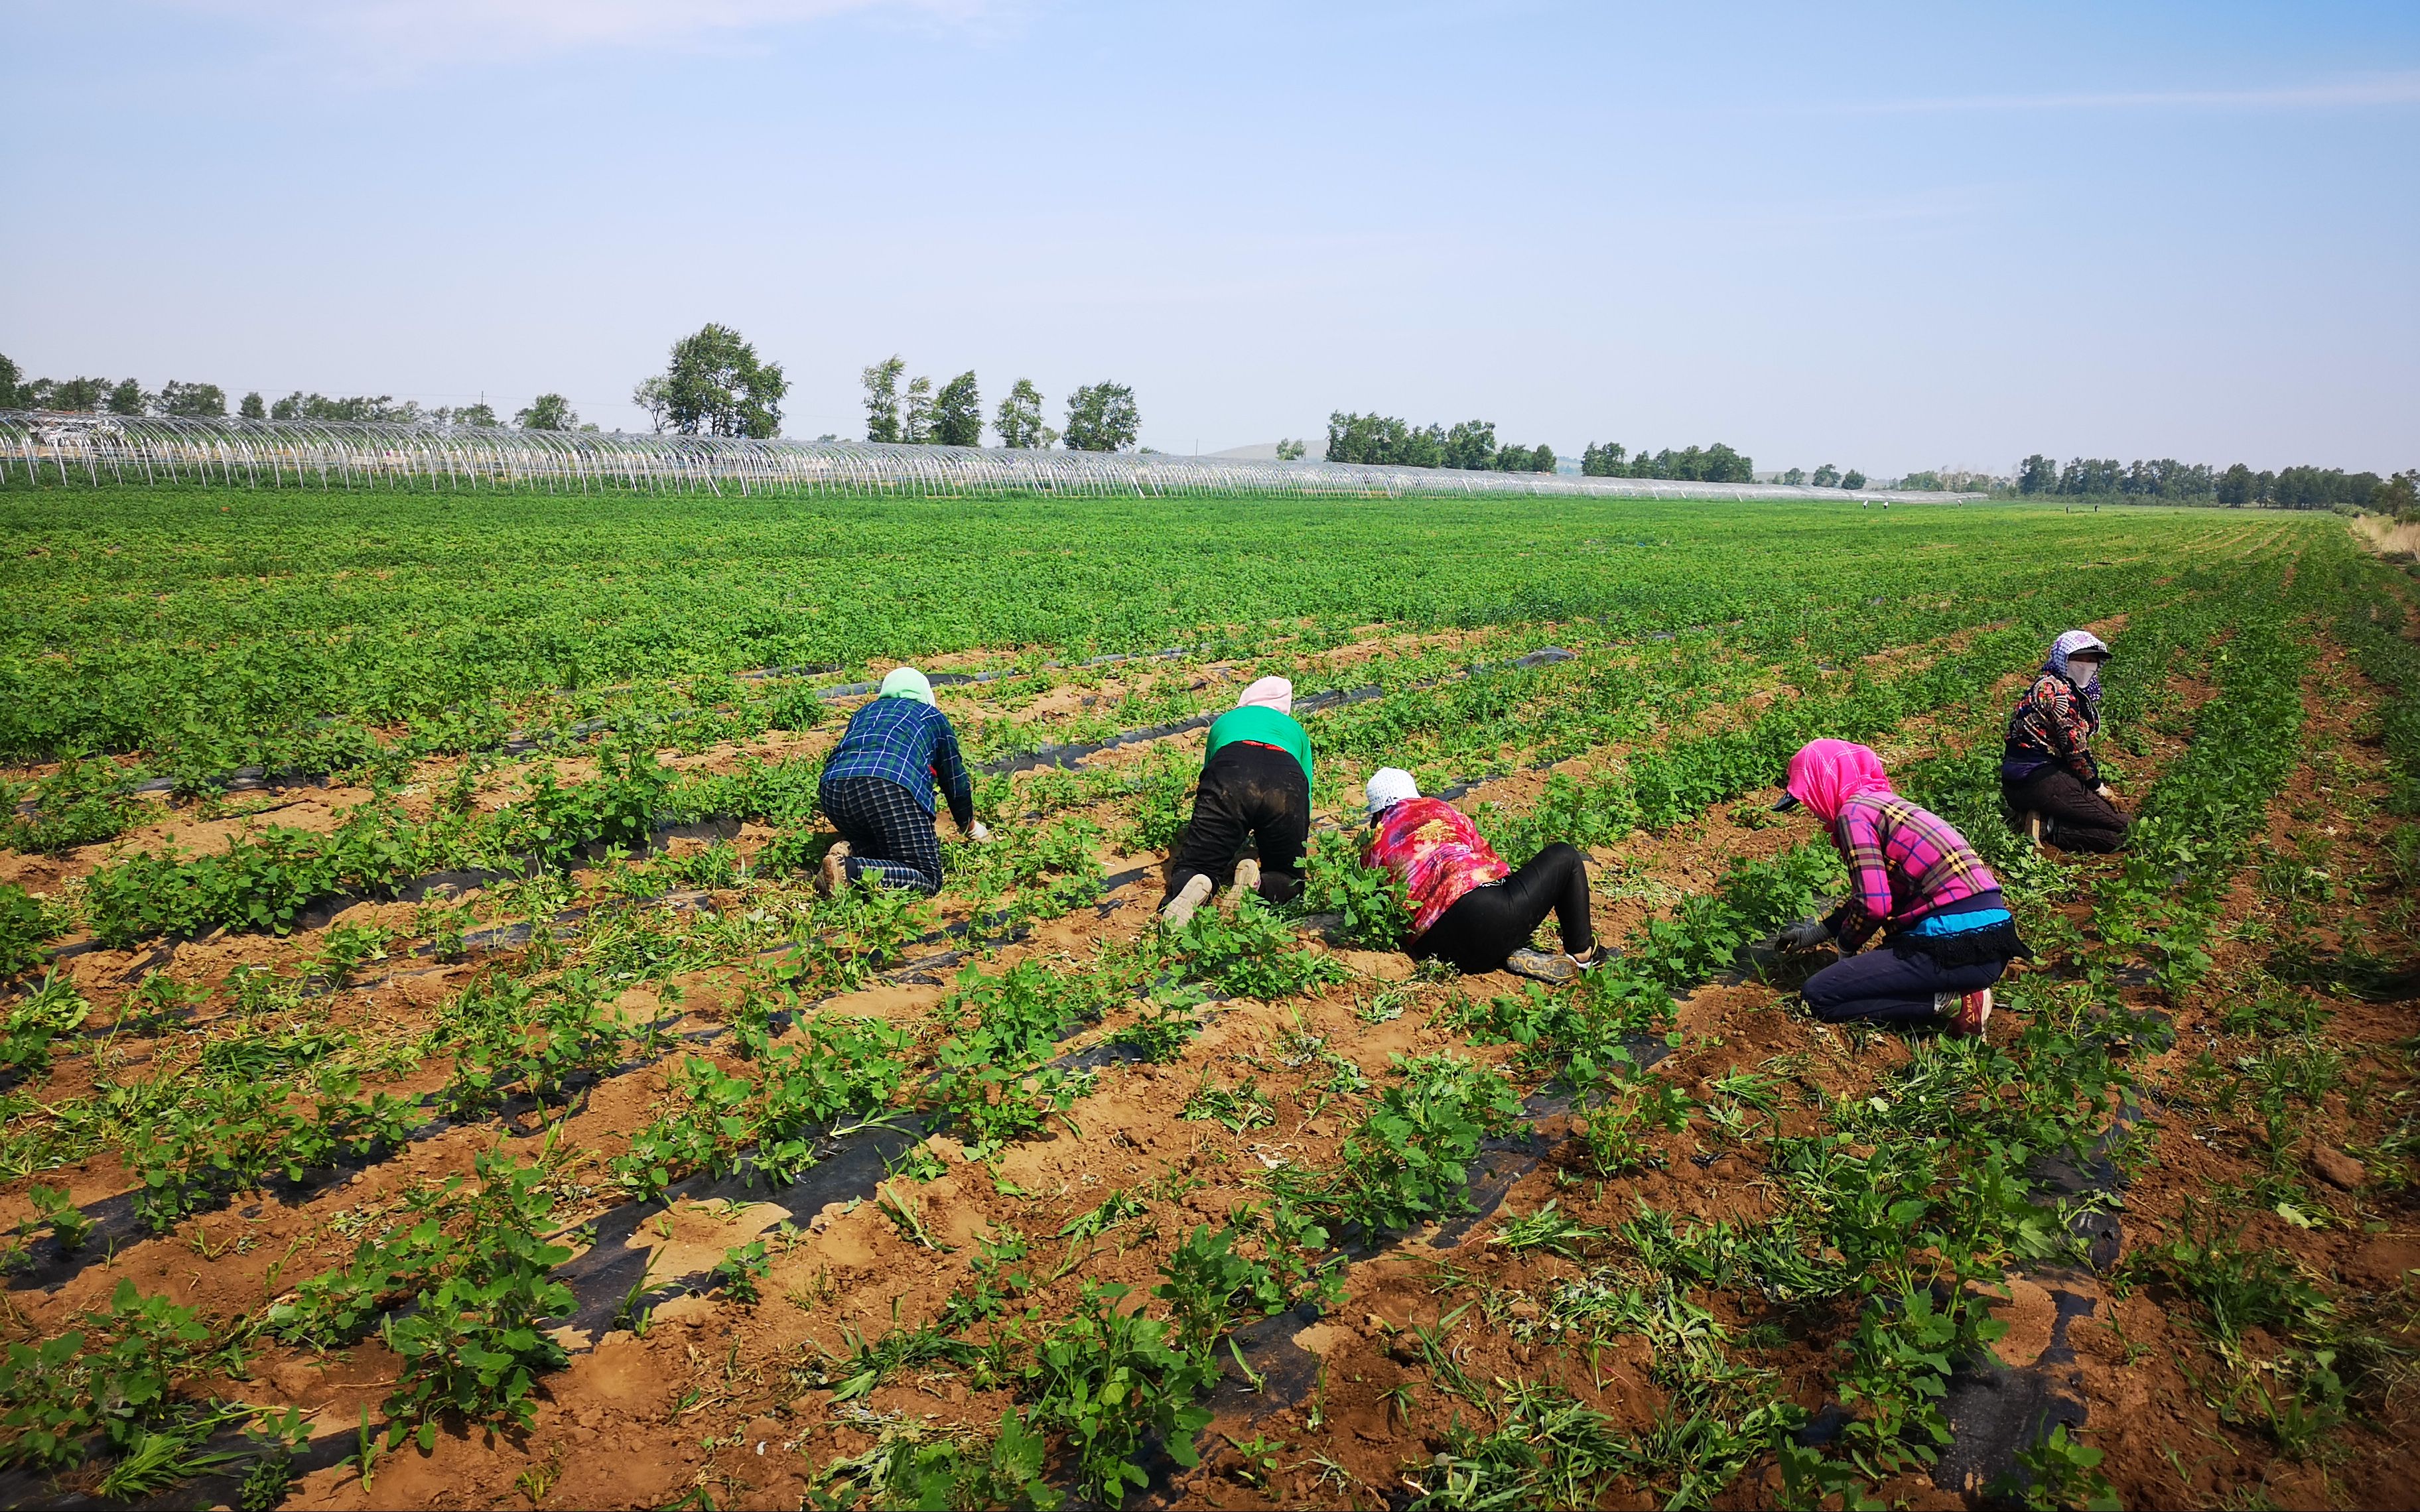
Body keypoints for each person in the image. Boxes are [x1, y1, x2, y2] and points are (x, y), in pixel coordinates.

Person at [1773, 739, 2024, 1035]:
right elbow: (1882, 895)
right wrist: (1812, 935)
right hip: (1990, 940)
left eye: (1808, 799)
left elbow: (1873, 904)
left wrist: (1845, 948)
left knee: (1819, 996)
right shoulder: (1886, 807)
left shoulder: (1852, 814)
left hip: (1951, 944)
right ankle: (1959, 986)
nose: (1812, 812)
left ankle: (1955, 1001)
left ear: (1825, 783)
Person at [1362, 767, 1599, 983]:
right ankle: (1583, 955)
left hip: (1433, 946)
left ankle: (1501, 952)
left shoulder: (1373, 846)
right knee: (1565, 856)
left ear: (1376, 814)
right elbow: (1491, 863)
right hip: (1483, 912)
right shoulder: (1438, 809)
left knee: (1476, 934)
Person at [817, 667, 986, 896]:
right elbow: (954, 779)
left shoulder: (865, 712)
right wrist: (969, 826)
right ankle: (849, 870)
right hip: (888, 786)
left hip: (833, 791)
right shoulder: (930, 716)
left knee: (890, 842)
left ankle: (851, 850)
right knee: (927, 876)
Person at [1160, 676, 1314, 927]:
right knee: (1288, 875)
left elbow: (1209, 775)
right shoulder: (1296, 731)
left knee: (1197, 863)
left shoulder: (1226, 721)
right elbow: (1305, 795)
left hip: (1232, 772)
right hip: (1286, 780)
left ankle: (1196, 885)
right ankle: (1259, 885)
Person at [2001, 630, 2128, 852]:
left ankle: (2043, 817)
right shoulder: (2059, 693)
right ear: (2063, 658)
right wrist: (2099, 788)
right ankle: (2049, 827)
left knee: (2114, 836)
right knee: (2126, 829)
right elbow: (2075, 750)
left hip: (2018, 781)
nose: (2086, 665)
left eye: (2092, 660)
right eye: (2079, 659)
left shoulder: (2048, 684)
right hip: (2040, 779)